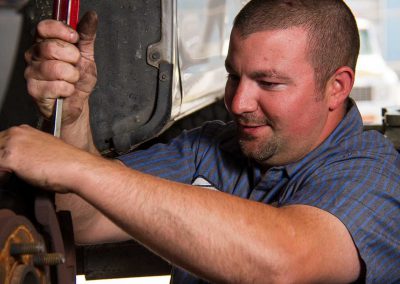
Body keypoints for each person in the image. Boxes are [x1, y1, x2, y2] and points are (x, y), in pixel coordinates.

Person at [0, 0, 399, 282]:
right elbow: (83, 218)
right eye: (233, 76)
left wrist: (75, 166)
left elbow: (283, 265)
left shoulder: (376, 175)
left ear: (336, 87)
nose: (238, 103)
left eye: (269, 83)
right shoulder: (208, 148)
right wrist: (72, 118)